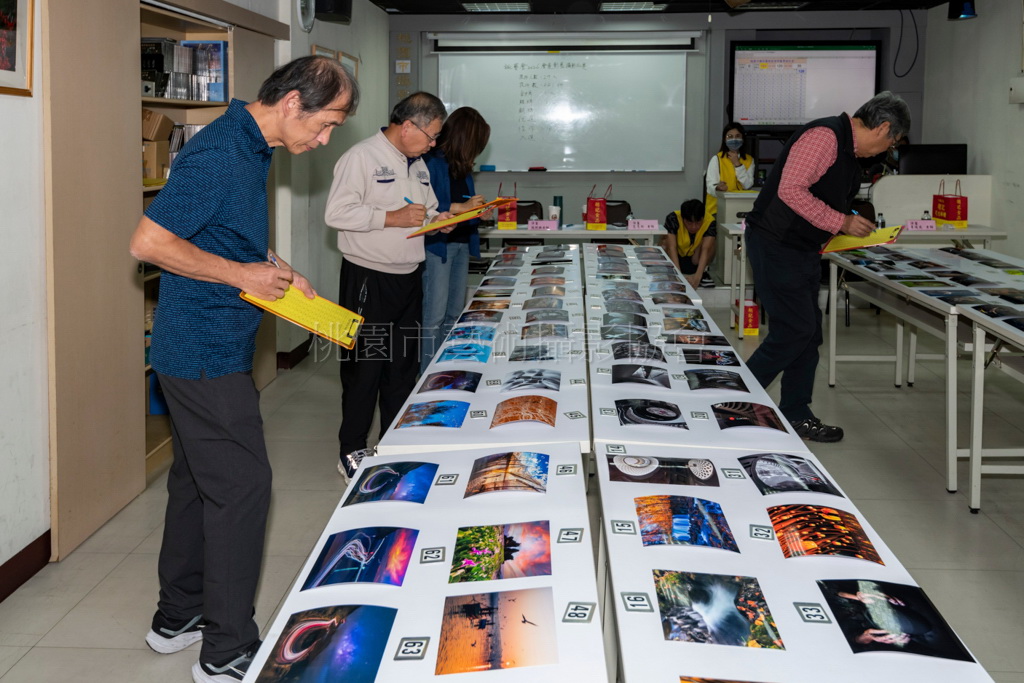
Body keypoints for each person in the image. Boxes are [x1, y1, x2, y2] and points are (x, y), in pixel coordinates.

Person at [129, 56, 358, 683]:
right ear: (292, 103)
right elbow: (148, 243)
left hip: (209, 346)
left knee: (197, 483)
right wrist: (241, 275)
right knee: (243, 488)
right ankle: (226, 649)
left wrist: (279, 269)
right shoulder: (222, 153)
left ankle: (177, 617)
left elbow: (224, 231)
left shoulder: (251, 146)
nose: (325, 139)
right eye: (327, 123)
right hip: (202, 350)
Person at [743, 91, 910, 442]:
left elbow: (822, 196)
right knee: (793, 331)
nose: (887, 150)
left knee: (808, 333)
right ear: (882, 128)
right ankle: (732, 402)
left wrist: (847, 225)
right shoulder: (825, 137)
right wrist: (841, 222)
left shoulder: (849, 152)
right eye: (891, 143)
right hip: (776, 244)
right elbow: (791, 190)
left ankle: (796, 414)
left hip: (801, 249)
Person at [325, 91, 453, 478]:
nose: (433, 144)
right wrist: (391, 218)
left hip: (409, 278)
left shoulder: (418, 164)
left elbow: (424, 212)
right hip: (368, 278)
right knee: (364, 369)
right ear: (408, 126)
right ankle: (351, 450)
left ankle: (392, 444)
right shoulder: (362, 157)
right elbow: (337, 213)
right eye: (431, 136)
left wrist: (440, 221)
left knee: (401, 368)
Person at [420, 107, 492, 372]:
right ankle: (426, 374)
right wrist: (463, 208)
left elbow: (464, 206)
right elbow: (426, 206)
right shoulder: (432, 162)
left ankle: (444, 369)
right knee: (434, 317)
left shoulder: (462, 168)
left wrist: (479, 212)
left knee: (454, 314)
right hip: (438, 247)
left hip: (461, 243)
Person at [662, 198, 717, 289]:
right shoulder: (673, 218)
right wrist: (679, 276)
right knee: (665, 241)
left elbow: (706, 250)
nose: (694, 227)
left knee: (711, 243)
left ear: (703, 218)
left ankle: (702, 273)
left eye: (698, 223)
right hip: (676, 257)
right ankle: (672, 273)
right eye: (689, 223)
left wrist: (697, 277)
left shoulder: (710, 221)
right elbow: (672, 248)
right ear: (683, 218)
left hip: (695, 259)